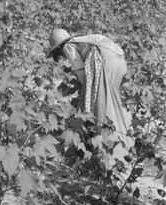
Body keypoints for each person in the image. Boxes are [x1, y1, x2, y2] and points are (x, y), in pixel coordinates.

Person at [47, 28, 133, 167]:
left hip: (104, 59)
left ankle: (105, 156)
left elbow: (81, 72)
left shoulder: (69, 45)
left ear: (58, 47)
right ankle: (124, 144)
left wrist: (85, 95)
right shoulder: (84, 40)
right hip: (119, 59)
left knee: (100, 108)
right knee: (112, 104)